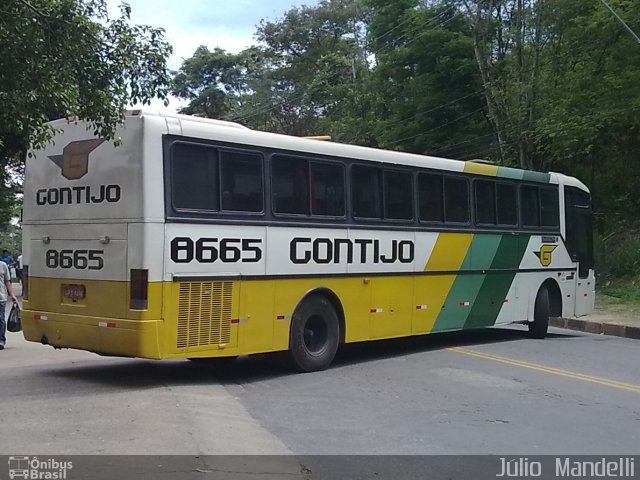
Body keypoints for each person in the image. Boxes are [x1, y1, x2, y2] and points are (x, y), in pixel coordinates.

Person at [0, 259, 18, 350]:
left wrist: (12, 295)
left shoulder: (3, 265)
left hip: (1, 298)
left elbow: (7, 281)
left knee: (0, 319)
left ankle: (1, 340)